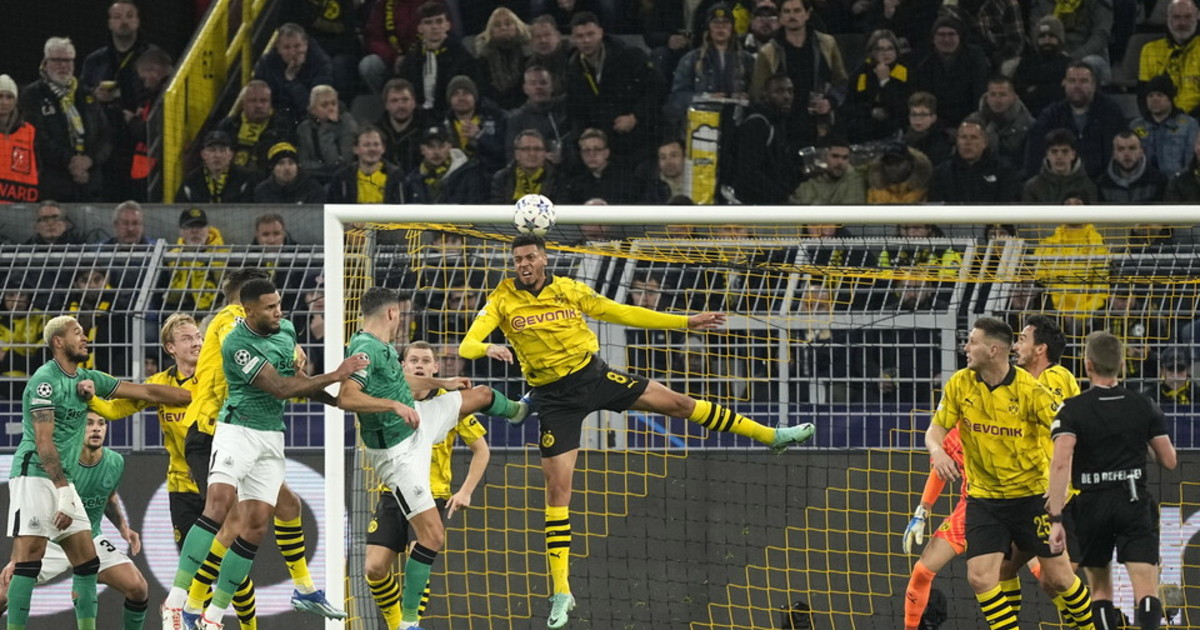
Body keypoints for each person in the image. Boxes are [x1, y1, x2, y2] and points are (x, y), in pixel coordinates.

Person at [458, 234, 817, 628]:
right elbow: (467, 346)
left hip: (593, 376)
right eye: (518, 259)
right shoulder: (502, 298)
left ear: (544, 258)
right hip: (555, 400)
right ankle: (561, 591)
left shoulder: (570, 290)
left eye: (530, 257)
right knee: (558, 491)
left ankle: (771, 437)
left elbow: (622, 312)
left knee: (679, 403)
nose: (524, 264)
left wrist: (685, 321)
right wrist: (487, 348)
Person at [162, 279, 367, 630]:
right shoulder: (235, 341)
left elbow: (296, 378)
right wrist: (337, 374)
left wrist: (337, 401)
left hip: (271, 437)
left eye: (279, 304)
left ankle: (212, 617)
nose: (278, 312)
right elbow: (281, 388)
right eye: (270, 307)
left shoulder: (285, 331)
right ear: (248, 310)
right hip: (235, 430)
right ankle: (178, 602)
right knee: (219, 509)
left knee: (255, 526)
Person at [341, 289, 527, 629]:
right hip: (399, 452)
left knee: (482, 394)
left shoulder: (382, 347)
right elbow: (347, 397)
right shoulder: (365, 348)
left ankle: (521, 410)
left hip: (420, 422)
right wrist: (394, 405)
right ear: (392, 313)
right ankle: (407, 624)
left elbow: (398, 380)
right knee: (428, 540)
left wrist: (444, 381)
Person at [6, 315, 188, 630]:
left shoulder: (89, 378)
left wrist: (197, 396)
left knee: (87, 560)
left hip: (63, 480)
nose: (85, 337)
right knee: (28, 559)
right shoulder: (45, 381)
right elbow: (43, 442)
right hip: (34, 472)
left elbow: (145, 392)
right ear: (58, 342)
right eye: (77, 332)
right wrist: (64, 489)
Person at [925, 317, 1097, 630]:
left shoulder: (1030, 390)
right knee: (980, 577)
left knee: (1059, 579)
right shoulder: (960, 383)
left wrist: (1063, 483)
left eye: (972, 342)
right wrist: (937, 451)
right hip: (984, 499)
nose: (965, 348)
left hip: (1031, 498)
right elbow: (935, 429)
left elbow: (1069, 433)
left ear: (993, 350)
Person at [1048, 331, 1178, 630]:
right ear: (1120, 364)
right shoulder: (1143, 405)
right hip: (1132, 500)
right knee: (1146, 588)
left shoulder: (1072, 409)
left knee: (1100, 592)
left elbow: (1060, 463)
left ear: (1087, 365)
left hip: (1092, 505)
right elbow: (1169, 460)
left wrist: (1056, 519)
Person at [0, 412, 149, 629]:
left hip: (91, 539)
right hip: (52, 541)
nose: (96, 428)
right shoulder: (58, 460)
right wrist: (19, 558)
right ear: (78, 428)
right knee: (4, 591)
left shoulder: (115, 462)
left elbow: (108, 497)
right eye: (89, 424)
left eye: (101, 424)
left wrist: (124, 528)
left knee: (138, 588)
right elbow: (32, 506)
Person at [564, 11, 665, 164]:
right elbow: (575, 108)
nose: (586, 40)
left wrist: (635, 117)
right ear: (572, 39)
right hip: (602, 142)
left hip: (639, 134)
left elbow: (658, 88)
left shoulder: (629, 56)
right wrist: (586, 131)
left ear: (601, 32)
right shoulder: (573, 69)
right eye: (580, 36)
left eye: (590, 34)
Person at [20, 37, 111, 202]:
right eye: (57, 60)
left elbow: (105, 136)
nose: (63, 65)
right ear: (45, 62)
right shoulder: (32, 95)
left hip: (91, 184)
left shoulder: (87, 94)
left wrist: (90, 160)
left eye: (68, 60)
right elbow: (37, 137)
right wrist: (70, 162)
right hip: (52, 185)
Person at [749, 0, 848, 148]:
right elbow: (758, 92)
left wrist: (830, 101)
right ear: (781, 17)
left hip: (818, 123)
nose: (792, 16)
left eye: (797, 11)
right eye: (787, 11)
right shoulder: (768, 52)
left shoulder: (827, 44)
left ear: (807, 14)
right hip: (783, 127)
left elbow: (841, 81)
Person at [1024, 61, 1126, 179]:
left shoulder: (1111, 112)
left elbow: (1118, 153)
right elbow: (1035, 154)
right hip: (1059, 182)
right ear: (1064, 84)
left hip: (1102, 182)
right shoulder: (1051, 115)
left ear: (1094, 85)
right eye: (1072, 81)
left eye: (1083, 81)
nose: (1077, 86)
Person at [667, 4, 756, 126]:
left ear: (732, 27)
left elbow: (758, 94)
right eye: (716, 23)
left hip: (738, 123)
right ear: (708, 28)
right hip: (702, 122)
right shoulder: (691, 59)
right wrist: (706, 98)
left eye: (725, 23)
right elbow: (678, 97)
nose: (721, 27)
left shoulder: (747, 60)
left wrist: (746, 97)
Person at [728, 73, 800, 204]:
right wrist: (783, 198)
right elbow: (748, 173)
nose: (787, 97)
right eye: (779, 91)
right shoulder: (757, 124)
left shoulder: (779, 123)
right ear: (765, 95)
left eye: (790, 91)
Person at [396, 2, 476, 119]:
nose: (434, 27)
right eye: (428, 22)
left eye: (439, 21)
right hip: (417, 117)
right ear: (420, 28)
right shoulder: (411, 57)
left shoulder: (462, 56)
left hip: (452, 116)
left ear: (448, 25)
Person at [909, 15, 991, 129]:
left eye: (951, 34)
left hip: (969, 119)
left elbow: (979, 92)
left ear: (959, 36)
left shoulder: (974, 56)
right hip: (936, 122)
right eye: (941, 34)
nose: (946, 39)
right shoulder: (923, 60)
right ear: (933, 38)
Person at [252, 23, 334, 127]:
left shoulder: (321, 64)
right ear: (278, 48)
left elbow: (316, 108)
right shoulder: (266, 63)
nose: (293, 52)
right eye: (286, 47)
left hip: (307, 120)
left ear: (305, 45)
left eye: (297, 46)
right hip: (276, 116)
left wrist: (292, 81)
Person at [928, 114, 1019, 203]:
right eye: (963, 137)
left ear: (985, 143)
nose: (968, 143)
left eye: (974, 137)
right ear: (957, 141)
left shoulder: (1003, 171)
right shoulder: (942, 172)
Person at [215, 80, 294, 179]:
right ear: (243, 104)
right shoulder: (227, 126)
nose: (258, 105)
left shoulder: (282, 127)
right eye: (252, 101)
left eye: (263, 101)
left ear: (270, 103)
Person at [844, 29, 911, 143]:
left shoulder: (906, 72)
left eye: (890, 48)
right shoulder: (861, 73)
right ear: (872, 52)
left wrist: (885, 82)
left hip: (896, 129)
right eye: (880, 49)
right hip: (864, 129)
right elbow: (850, 106)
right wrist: (870, 112)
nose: (886, 53)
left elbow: (901, 107)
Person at [504, 64, 575, 166]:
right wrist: (539, 158)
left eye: (543, 83)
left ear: (552, 86)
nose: (538, 87)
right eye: (532, 83)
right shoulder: (516, 119)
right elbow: (512, 157)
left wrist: (565, 155)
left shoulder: (566, 111)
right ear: (525, 89)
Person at [1130, 75, 1199, 178]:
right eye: (1150, 96)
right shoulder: (1135, 126)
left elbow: (1191, 162)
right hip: (1144, 183)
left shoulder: (1189, 125)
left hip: (1177, 183)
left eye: (1160, 95)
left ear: (1170, 99)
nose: (1154, 99)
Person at [1138, 0, 1200, 114]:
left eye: (1188, 17)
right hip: (1159, 118)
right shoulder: (1150, 50)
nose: (1182, 23)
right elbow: (1143, 94)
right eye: (1176, 17)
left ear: (1197, 17)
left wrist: (1184, 120)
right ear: (1167, 19)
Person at [404, 125, 488, 204]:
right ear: (422, 150)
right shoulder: (413, 180)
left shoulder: (467, 174)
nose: (436, 152)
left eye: (441, 146)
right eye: (431, 147)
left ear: (449, 147)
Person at [163, 208, 227, 312]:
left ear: (208, 229)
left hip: (216, 312)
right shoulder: (170, 259)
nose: (195, 231)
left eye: (200, 226)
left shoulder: (225, 257)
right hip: (179, 312)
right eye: (189, 226)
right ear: (181, 232)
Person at [443, 75, 507, 176]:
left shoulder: (496, 118)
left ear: (474, 97)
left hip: (488, 176)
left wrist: (480, 136)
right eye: (456, 94)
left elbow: (503, 152)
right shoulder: (441, 125)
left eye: (466, 93)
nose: (461, 98)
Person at [327, 125, 406, 203]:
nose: (372, 149)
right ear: (355, 149)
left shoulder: (395, 175)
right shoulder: (342, 177)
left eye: (376, 145)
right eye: (366, 145)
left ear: (383, 149)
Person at [1013, 16, 1073, 119]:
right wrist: (1055, 87)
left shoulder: (1068, 64)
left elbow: (1069, 93)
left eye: (1051, 36)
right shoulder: (1026, 63)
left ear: (1059, 39)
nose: (1046, 40)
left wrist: (1036, 89)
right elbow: (1021, 92)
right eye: (1042, 37)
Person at [474, 7, 533, 111]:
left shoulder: (529, 54)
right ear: (490, 31)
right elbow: (483, 90)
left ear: (517, 27)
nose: (503, 28)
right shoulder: (483, 58)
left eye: (508, 24)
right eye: (497, 25)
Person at [296, 84, 357, 184]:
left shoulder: (347, 123)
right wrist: (324, 169)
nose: (331, 108)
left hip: (345, 179)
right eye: (324, 105)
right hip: (316, 179)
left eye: (334, 104)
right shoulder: (304, 129)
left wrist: (329, 126)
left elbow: (341, 161)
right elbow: (303, 163)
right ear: (313, 110)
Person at [176, 130, 257, 204]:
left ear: (231, 155)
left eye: (222, 151)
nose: (217, 155)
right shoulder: (192, 181)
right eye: (212, 150)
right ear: (203, 154)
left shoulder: (245, 178)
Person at [1022, 128, 1099, 203]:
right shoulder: (1032, 187)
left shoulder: (1088, 186)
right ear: (1047, 155)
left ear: (1073, 155)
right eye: (1054, 151)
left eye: (1065, 151)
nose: (1059, 157)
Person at [491, 129, 568, 203]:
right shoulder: (502, 178)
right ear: (517, 154)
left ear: (545, 153)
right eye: (526, 149)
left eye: (537, 149)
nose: (532, 154)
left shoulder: (557, 179)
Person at [790, 133, 867, 204]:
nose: (840, 162)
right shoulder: (808, 183)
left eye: (845, 158)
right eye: (835, 156)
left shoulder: (853, 180)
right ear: (822, 157)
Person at [976, 75, 1034, 168]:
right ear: (987, 97)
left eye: (1003, 95)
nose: (997, 100)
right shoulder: (974, 122)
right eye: (993, 95)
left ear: (1013, 97)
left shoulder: (1029, 125)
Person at [376, 78, 430, 176]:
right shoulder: (377, 132)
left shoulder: (428, 128)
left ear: (414, 102)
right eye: (394, 101)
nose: (400, 105)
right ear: (386, 105)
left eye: (405, 100)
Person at [566, 128, 635, 204]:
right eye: (586, 150)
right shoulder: (574, 183)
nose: (591, 154)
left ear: (606, 153)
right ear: (581, 154)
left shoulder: (625, 180)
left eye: (597, 149)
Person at [1096, 131, 1168, 203]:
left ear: (1141, 152)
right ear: (1114, 154)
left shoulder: (1158, 181)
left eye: (1132, 148)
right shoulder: (1102, 183)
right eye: (1121, 149)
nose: (1126, 154)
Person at [0, 73, 39, 203]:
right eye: (0, 96)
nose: (4, 102)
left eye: (9, 97)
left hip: (20, 204)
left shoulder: (29, 131)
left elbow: (38, 166)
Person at [252, 141, 326, 204]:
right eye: (281, 163)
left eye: (291, 163)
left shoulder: (313, 189)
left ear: (298, 166)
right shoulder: (262, 191)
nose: (287, 168)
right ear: (272, 168)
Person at [902, 91, 952, 166]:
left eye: (923, 114)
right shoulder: (902, 140)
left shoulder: (941, 144)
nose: (918, 119)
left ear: (933, 118)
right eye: (914, 114)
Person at [636, 137, 688, 204]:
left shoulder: (697, 181)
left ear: (684, 156)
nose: (668, 162)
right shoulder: (651, 191)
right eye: (663, 157)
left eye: (674, 156)